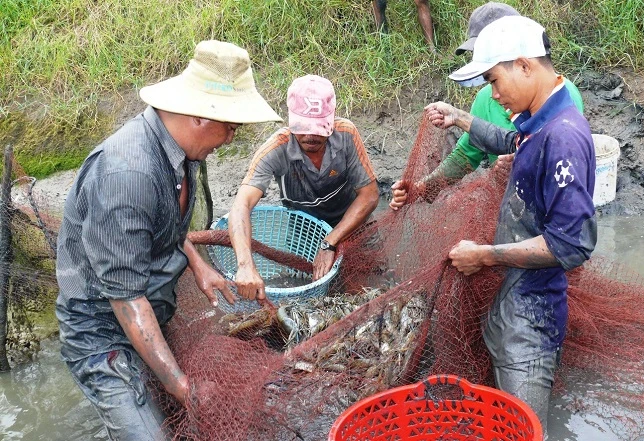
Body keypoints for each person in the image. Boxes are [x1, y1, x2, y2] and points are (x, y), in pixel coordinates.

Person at [55, 40, 282, 440]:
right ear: (199, 116)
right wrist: (183, 387)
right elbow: (125, 298)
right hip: (101, 331)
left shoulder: (181, 153)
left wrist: (199, 265)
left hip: (151, 305)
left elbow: (166, 226)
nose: (230, 138)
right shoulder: (128, 175)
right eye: (230, 127)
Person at [424, 16, 596, 437]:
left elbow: (572, 244)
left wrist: (485, 256)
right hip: (510, 300)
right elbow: (510, 142)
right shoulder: (537, 122)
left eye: (494, 81)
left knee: (525, 429)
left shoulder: (564, 137)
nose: (493, 93)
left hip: (532, 327)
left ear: (524, 65)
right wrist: (460, 118)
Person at [389, 2, 584, 210]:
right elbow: (467, 154)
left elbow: (562, 172)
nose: (495, 93)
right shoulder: (486, 98)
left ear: (520, 62)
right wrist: (422, 188)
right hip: (508, 211)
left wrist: (522, 168)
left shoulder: (563, 99)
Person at [229, 74, 379, 301]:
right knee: (309, 297)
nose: (310, 135)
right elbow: (241, 204)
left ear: (332, 117)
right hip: (305, 234)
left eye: (319, 128)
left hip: (353, 223)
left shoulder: (346, 135)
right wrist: (245, 264)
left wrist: (329, 243)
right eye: (303, 127)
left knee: (371, 287)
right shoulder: (275, 149)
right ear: (290, 120)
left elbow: (369, 196)